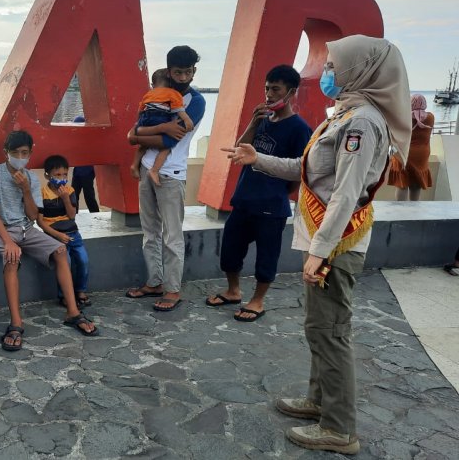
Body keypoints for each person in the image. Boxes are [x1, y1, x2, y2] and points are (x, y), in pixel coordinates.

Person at [224, 35, 411, 454]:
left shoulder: (361, 122)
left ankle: (339, 428)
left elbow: (345, 194)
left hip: (336, 247)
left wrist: (320, 252)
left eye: (333, 65)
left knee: (331, 334)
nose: (326, 72)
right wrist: (257, 159)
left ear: (359, 69)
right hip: (325, 240)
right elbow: (307, 169)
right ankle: (318, 402)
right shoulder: (343, 115)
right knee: (320, 329)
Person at [206, 65, 312, 322]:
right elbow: (238, 150)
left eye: (276, 89)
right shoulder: (263, 120)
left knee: (266, 257)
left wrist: (280, 194)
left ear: (291, 93)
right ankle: (233, 291)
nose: (269, 94)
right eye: (267, 88)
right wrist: (253, 122)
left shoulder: (299, 128)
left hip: (271, 206)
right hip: (244, 199)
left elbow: (301, 170)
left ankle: (257, 300)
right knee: (230, 251)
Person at [0, 130, 98, 351]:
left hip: (26, 229)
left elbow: (34, 216)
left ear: (30, 154)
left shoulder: (32, 179)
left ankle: (72, 312)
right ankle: (16, 323)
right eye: (14, 152)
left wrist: (25, 189)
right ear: (6, 152)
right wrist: (7, 241)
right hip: (1, 230)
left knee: (61, 250)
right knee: (12, 258)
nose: (19, 156)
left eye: (24, 153)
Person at [125, 46, 206, 312]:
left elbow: (171, 139)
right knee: (149, 232)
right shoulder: (158, 96)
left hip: (171, 175)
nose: (184, 77)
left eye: (189, 72)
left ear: (194, 71)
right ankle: (154, 282)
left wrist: (138, 135)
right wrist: (141, 134)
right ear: (169, 71)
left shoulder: (196, 102)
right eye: (179, 72)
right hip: (148, 169)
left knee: (172, 236)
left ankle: (172, 289)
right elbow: (135, 131)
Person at [37, 154, 91, 308]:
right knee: (64, 262)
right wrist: (57, 235)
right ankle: (64, 296)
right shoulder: (42, 193)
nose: (61, 178)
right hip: (54, 235)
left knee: (83, 260)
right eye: (57, 174)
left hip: (73, 233)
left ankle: (80, 290)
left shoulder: (70, 190)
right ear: (47, 175)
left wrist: (66, 199)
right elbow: (40, 221)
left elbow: (72, 215)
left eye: (64, 174)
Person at [130, 68, 192, 186]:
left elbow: (140, 109)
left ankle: (134, 164)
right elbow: (178, 109)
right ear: (170, 83)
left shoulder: (148, 94)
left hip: (146, 118)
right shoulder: (173, 93)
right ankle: (155, 170)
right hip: (160, 118)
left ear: (153, 84)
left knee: (144, 145)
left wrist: (138, 123)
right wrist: (187, 119)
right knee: (167, 146)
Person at [387, 93, 433, 200]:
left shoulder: (403, 117)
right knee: (416, 185)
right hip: (421, 155)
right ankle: (414, 212)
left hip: (403, 153)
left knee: (402, 184)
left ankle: (402, 212)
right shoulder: (430, 117)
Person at [70, 116, 100, 212]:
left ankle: (95, 213)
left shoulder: (89, 139)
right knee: (73, 194)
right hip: (77, 171)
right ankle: (74, 214)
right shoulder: (75, 138)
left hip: (88, 171)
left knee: (89, 195)